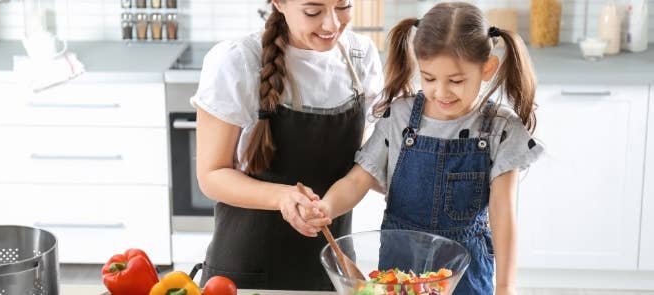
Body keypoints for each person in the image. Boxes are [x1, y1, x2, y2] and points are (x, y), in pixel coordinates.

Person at [301, 2, 544, 294]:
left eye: (456, 81)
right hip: (399, 267)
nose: (441, 92)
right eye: (429, 78)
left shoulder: (500, 128)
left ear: (488, 68)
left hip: (464, 274)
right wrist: (326, 206)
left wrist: (506, 287)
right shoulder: (400, 116)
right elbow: (358, 179)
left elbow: (502, 213)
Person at [190, 0, 383, 291]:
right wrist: (282, 197)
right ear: (279, 3)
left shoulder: (360, 56)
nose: (332, 25)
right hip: (246, 272)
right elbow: (211, 175)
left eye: (343, 6)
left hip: (333, 270)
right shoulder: (238, 61)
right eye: (313, 11)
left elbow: (364, 157)